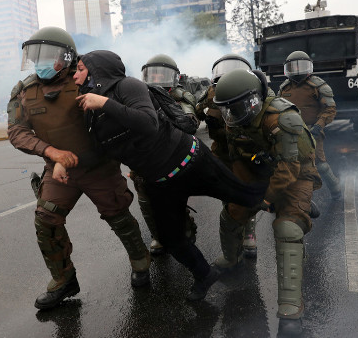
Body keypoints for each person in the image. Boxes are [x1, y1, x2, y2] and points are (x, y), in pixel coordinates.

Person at [72, 50, 265, 301]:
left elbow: (147, 123)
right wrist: (64, 162)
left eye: (79, 69)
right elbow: (101, 151)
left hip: (189, 161)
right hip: (160, 182)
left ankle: (286, 203)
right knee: (170, 238)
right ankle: (204, 275)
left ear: (97, 72)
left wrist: (105, 103)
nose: (75, 76)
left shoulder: (128, 86)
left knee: (244, 196)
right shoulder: (90, 112)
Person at [7, 27, 151, 311]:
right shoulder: (23, 91)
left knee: (118, 217)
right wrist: (51, 152)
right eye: (34, 56)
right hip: (60, 171)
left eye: (46, 56)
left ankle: (140, 263)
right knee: (46, 221)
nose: (39, 62)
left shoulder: (88, 80)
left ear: (67, 56)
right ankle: (63, 280)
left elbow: (121, 115)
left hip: (99, 165)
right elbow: (16, 132)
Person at [212, 68, 321, 330]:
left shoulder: (282, 118)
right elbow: (234, 158)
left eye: (238, 106)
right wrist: (238, 192)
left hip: (296, 174)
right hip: (259, 172)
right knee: (231, 214)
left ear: (254, 98)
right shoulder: (234, 121)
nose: (232, 113)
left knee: (288, 228)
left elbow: (289, 169)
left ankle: (291, 306)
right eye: (227, 109)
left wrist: (267, 199)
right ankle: (232, 257)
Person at [196, 54, 263, 258]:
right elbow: (198, 110)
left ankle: (249, 235)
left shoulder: (252, 90)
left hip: (244, 150)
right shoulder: (211, 92)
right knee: (226, 193)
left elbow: (261, 113)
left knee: (246, 191)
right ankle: (234, 242)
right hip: (222, 151)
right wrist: (207, 115)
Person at [133, 54, 199, 255]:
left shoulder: (180, 97)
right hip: (145, 158)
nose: (157, 79)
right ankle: (158, 236)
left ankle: (186, 230)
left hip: (174, 156)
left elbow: (190, 122)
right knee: (146, 201)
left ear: (174, 77)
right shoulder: (136, 95)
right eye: (152, 75)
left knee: (174, 200)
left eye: (162, 74)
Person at [279, 51, 341, 199]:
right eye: (294, 67)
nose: (298, 70)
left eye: (301, 66)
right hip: (289, 131)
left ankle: (336, 190)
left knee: (319, 163)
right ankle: (291, 196)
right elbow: (278, 108)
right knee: (287, 163)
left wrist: (318, 126)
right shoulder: (284, 88)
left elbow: (330, 109)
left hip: (312, 130)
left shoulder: (318, 85)